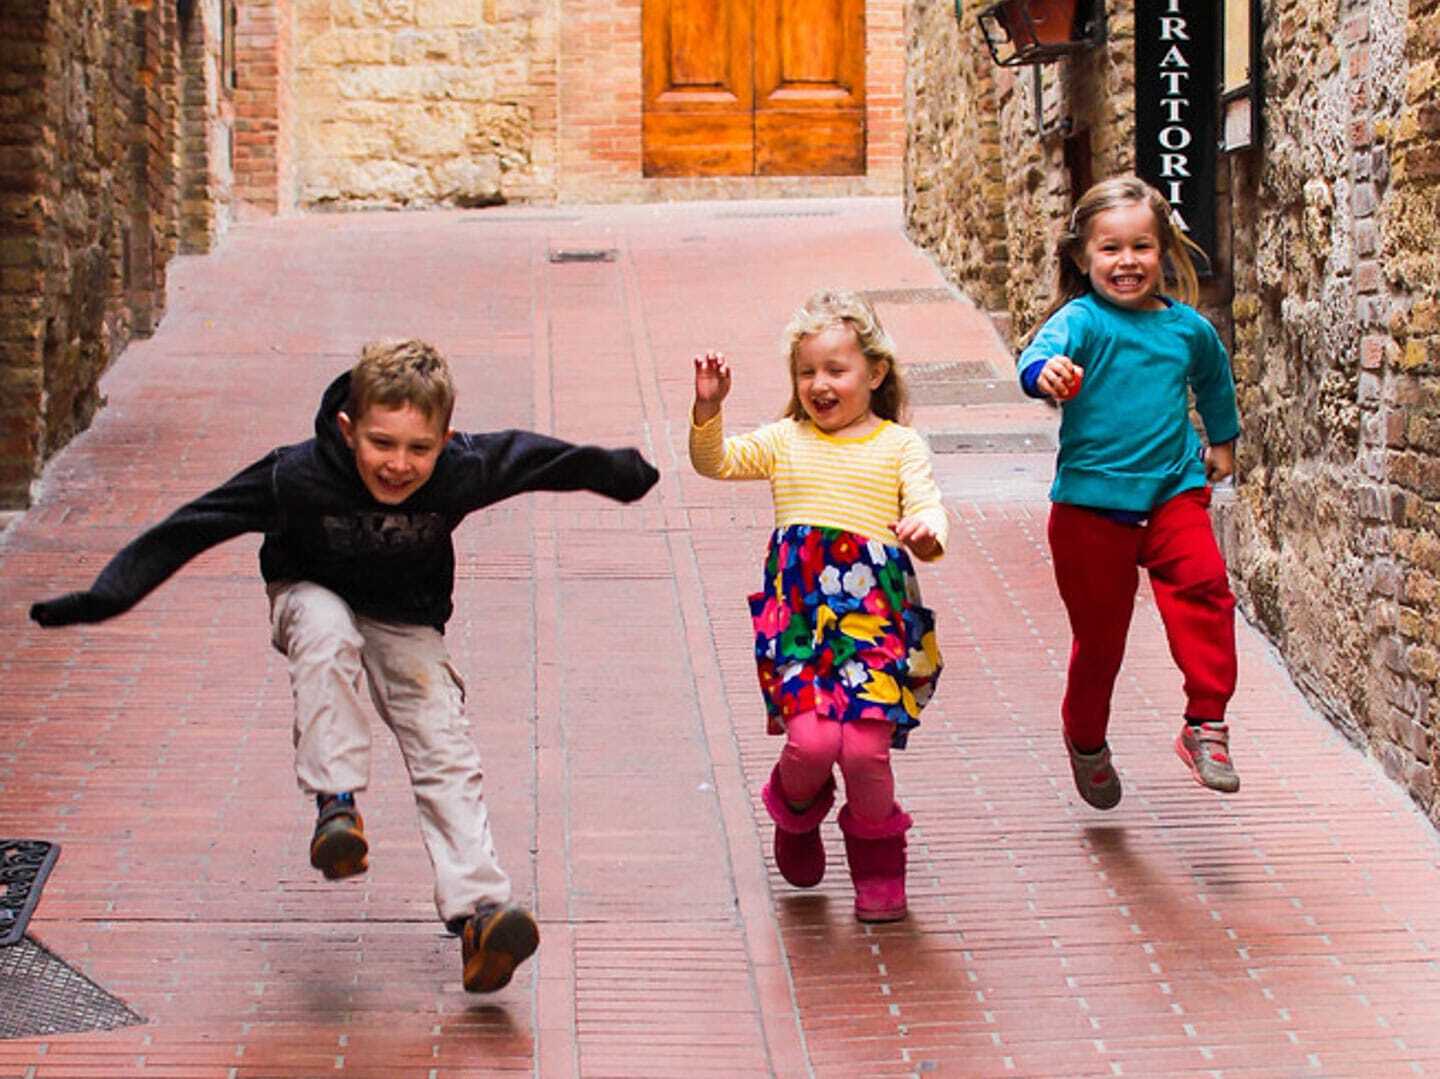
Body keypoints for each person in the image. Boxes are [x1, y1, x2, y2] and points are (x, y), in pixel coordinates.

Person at [29, 339, 660, 992]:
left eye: (419, 448)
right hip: (307, 593)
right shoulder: (298, 475)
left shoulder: (460, 468)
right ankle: (337, 804)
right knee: (328, 635)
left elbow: (542, 459)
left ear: (445, 438)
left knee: (441, 732)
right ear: (347, 428)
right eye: (382, 444)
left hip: (405, 616)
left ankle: (480, 912)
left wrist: (622, 472)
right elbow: (197, 523)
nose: (399, 464)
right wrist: (105, 595)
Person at [689, 290, 945, 923]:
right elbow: (714, 462)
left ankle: (880, 869)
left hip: (875, 622)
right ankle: (796, 811)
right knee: (810, 743)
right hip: (802, 619)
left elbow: (929, 506)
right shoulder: (785, 441)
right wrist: (707, 407)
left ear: (875, 373)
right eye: (807, 372)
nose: (819, 384)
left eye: (836, 370)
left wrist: (926, 530)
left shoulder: (899, 446)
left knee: (862, 749)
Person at [1016, 175, 1242, 811]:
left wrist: (1221, 442)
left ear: (1163, 251)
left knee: (1205, 588)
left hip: (1174, 491)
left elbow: (1214, 381)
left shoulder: (1187, 329)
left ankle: (1206, 722)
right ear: (1083, 258)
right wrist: (1046, 374)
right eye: (1110, 249)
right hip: (1091, 507)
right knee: (1101, 640)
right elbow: (1036, 360)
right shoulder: (1080, 321)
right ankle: (1086, 740)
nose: (1127, 262)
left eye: (1141, 247)